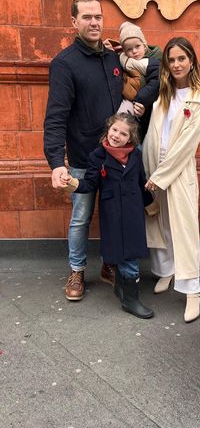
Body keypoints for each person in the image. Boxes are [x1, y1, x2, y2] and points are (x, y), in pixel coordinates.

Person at [44, 0, 124, 301]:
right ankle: (77, 270)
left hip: (117, 156)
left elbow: (149, 59)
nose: (94, 22)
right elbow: (55, 118)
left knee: (113, 213)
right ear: (74, 22)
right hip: (82, 159)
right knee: (81, 216)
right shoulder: (64, 64)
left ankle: (109, 265)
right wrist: (56, 161)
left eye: (98, 17)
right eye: (87, 17)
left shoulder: (113, 58)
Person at [60, 113, 154, 319]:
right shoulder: (97, 156)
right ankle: (131, 299)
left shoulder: (136, 154)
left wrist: (150, 203)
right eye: (114, 130)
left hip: (133, 211)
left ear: (130, 138)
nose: (116, 135)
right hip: (112, 212)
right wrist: (73, 183)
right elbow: (91, 183)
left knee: (131, 251)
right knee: (121, 251)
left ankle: (125, 292)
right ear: (108, 129)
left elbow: (141, 180)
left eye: (123, 133)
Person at [142, 37, 200, 323]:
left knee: (183, 227)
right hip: (154, 166)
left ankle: (192, 290)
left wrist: (162, 176)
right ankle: (165, 270)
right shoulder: (164, 94)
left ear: (191, 60)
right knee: (158, 221)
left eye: (182, 58)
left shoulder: (199, 95)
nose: (177, 64)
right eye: (172, 59)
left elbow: (187, 143)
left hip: (177, 170)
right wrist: (149, 171)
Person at [106, 21, 161, 141]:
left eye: (137, 46)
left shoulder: (155, 61)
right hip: (130, 105)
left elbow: (156, 84)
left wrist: (139, 99)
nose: (134, 51)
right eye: (129, 49)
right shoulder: (121, 61)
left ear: (144, 45)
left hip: (149, 108)